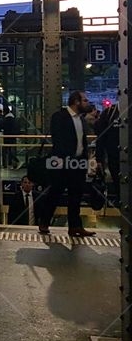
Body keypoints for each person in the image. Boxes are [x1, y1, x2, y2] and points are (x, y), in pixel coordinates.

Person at [38, 91, 96, 237]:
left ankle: (75, 226)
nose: (87, 102)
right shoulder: (60, 116)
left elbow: (81, 140)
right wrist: (64, 159)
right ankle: (44, 222)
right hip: (63, 163)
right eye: (85, 100)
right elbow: (57, 139)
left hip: (78, 163)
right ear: (76, 102)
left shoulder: (81, 119)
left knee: (76, 195)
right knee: (55, 193)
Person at [95, 96, 120, 202]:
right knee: (117, 182)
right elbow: (101, 137)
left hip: (114, 155)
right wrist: (99, 158)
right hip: (114, 157)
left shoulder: (109, 113)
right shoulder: (109, 113)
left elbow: (101, 137)